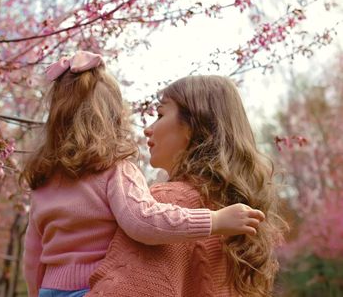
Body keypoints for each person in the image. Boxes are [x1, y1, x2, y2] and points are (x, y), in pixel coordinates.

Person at [22, 53, 265, 297]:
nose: (147, 128)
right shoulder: (117, 170)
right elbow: (142, 221)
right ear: (113, 118)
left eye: (159, 115)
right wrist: (213, 221)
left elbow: (32, 256)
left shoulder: (42, 183)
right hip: (90, 287)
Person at [88, 75, 287, 297]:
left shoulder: (165, 205)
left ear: (193, 125)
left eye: (160, 115)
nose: (147, 129)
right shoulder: (236, 215)